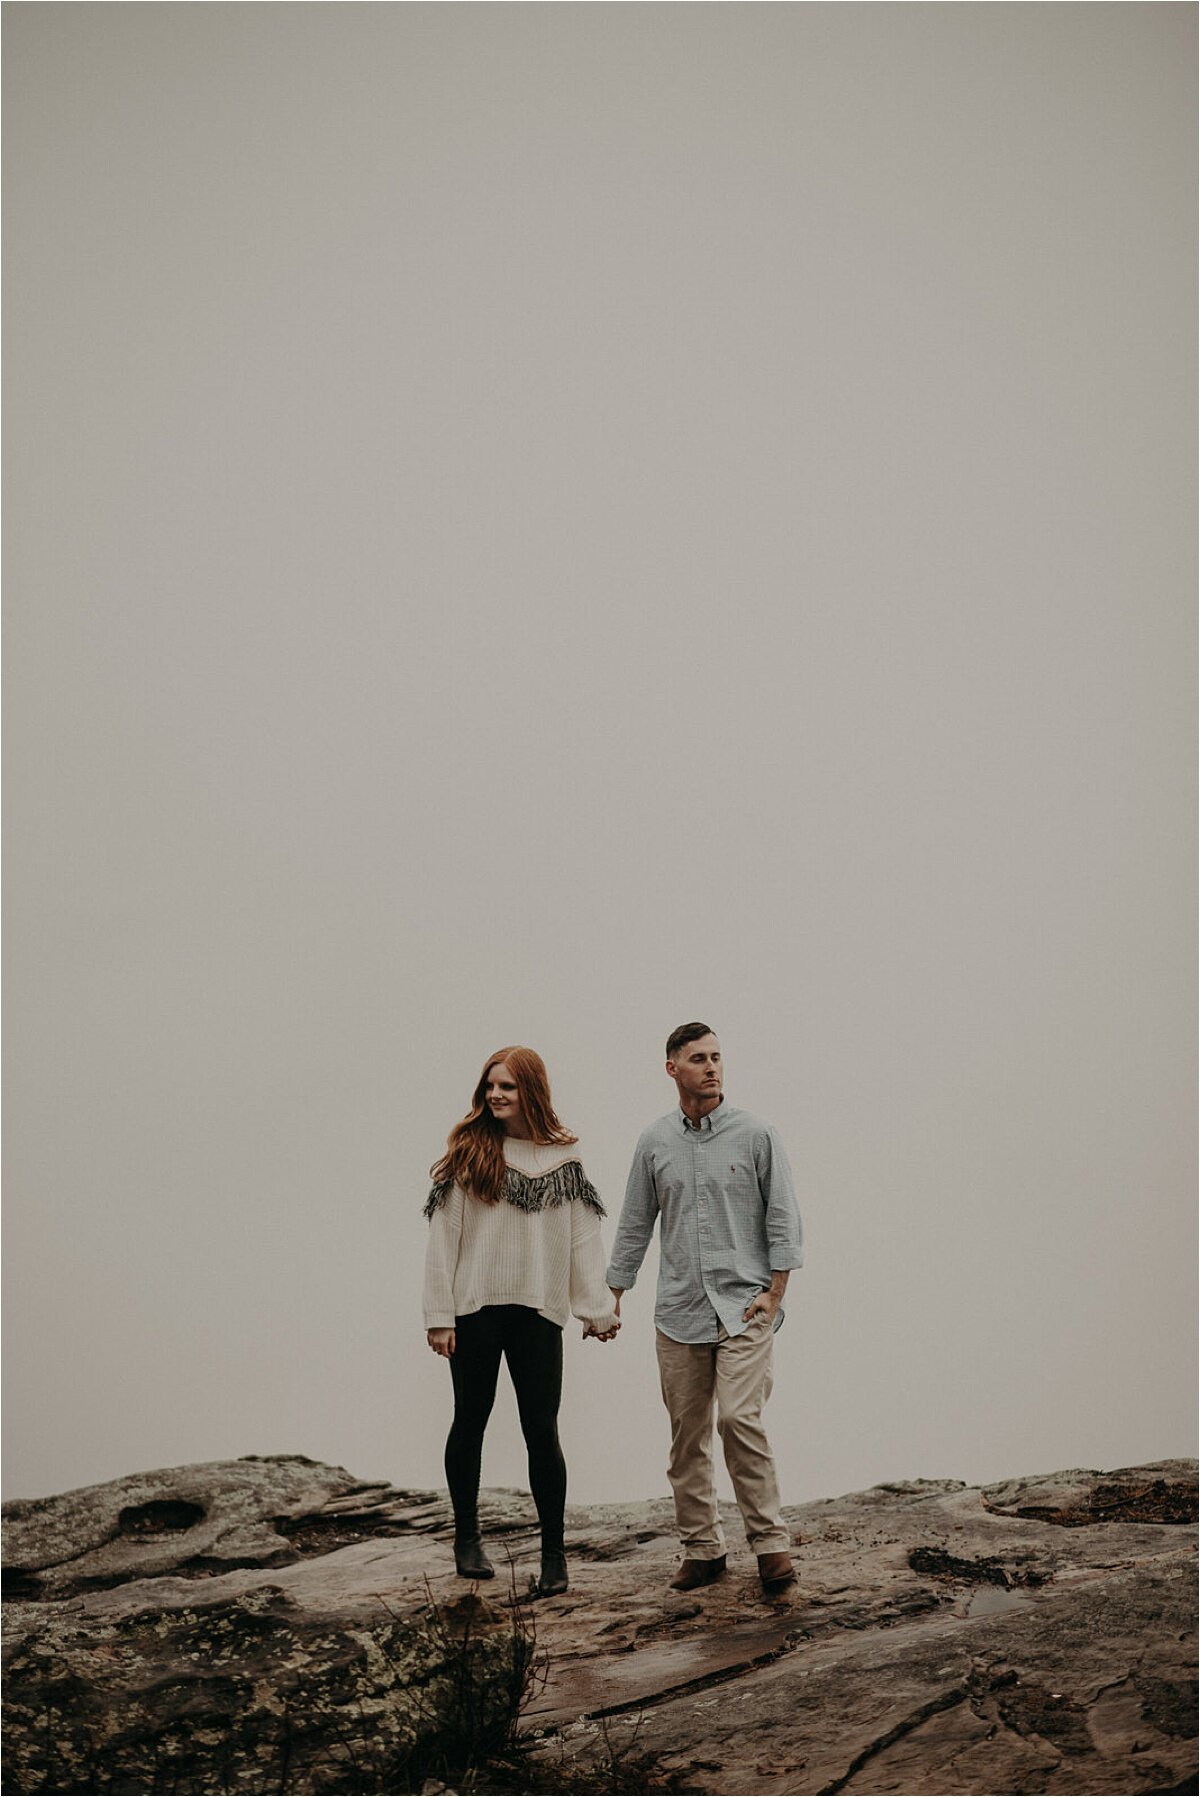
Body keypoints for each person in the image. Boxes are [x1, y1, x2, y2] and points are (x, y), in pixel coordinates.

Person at [606, 1023, 804, 1597]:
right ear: (673, 1068)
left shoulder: (757, 1134)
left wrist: (776, 1292)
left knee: (738, 1419)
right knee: (686, 1435)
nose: (712, 1067)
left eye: (717, 1057)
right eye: (698, 1059)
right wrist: (612, 1293)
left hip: (745, 1307)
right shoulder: (654, 1142)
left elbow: (784, 1217)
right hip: (679, 1310)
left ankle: (770, 1547)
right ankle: (703, 1550)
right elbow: (635, 1223)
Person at [423, 1046, 619, 1597]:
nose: (495, 1095)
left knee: (542, 1432)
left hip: (538, 1312)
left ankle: (554, 1559)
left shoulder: (565, 1157)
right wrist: (440, 1316)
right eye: (490, 1086)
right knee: (471, 1421)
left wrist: (597, 1309)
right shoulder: (469, 1153)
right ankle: (467, 1540)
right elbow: (443, 1240)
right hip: (475, 1309)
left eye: (507, 1086)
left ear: (531, 1089)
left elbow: (583, 1239)